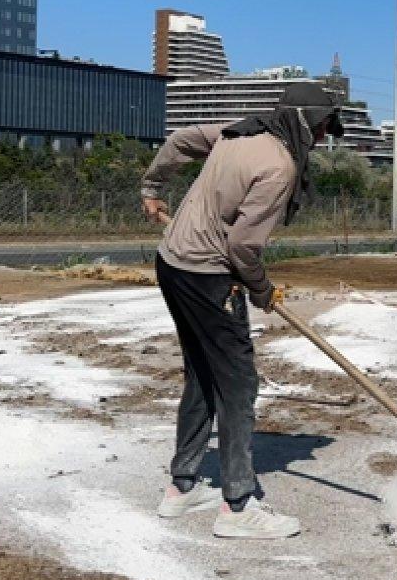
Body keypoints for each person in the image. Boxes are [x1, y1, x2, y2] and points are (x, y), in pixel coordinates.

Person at [140, 84, 343, 539]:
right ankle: (237, 506)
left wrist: (152, 186)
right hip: (211, 278)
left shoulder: (236, 135)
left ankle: (183, 487)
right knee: (238, 383)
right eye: (327, 127)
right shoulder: (278, 165)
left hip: (172, 265)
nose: (327, 138)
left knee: (202, 372)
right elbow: (242, 247)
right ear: (312, 124)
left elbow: (177, 142)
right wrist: (261, 290)